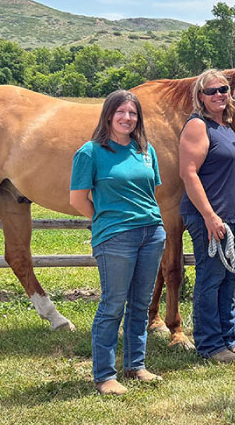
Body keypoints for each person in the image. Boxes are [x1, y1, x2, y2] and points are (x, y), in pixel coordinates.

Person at [70, 90, 166, 395]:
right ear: (108, 115)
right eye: (121, 112)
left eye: (133, 113)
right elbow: (77, 200)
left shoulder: (145, 149)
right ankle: (104, 375)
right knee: (112, 305)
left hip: (151, 233)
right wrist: (106, 220)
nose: (127, 118)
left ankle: (136, 366)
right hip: (116, 237)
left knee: (140, 304)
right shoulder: (91, 152)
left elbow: (152, 190)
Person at [179, 69, 235, 363]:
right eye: (212, 90)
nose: (219, 94)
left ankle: (229, 339)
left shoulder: (225, 127)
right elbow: (188, 174)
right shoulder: (197, 126)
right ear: (200, 97)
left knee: (228, 279)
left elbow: (222, 163)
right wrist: (209, 216)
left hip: (232, 214)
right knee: (211, 277)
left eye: (223, 89)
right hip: (210, 216)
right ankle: (210, 344)